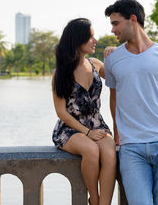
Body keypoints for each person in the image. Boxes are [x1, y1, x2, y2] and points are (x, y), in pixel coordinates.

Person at [104, 0, 158, 205]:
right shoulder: (113, 59)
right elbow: (114, 99)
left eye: (115, 23)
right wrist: (118, 137)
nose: (112, 30)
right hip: (131, 149)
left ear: (132, 19)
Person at [52, 18, 116, 205]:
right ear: (77, 40)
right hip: (70, 128)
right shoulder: (61, 72)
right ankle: (94, 201)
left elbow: (120, 76)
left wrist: (115, 55)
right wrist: (87, 132)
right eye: (89, 37)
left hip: (97, 125)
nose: (94, 40)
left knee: (110, 154)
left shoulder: (95, 64)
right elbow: (61, 112)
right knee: (91, 150)